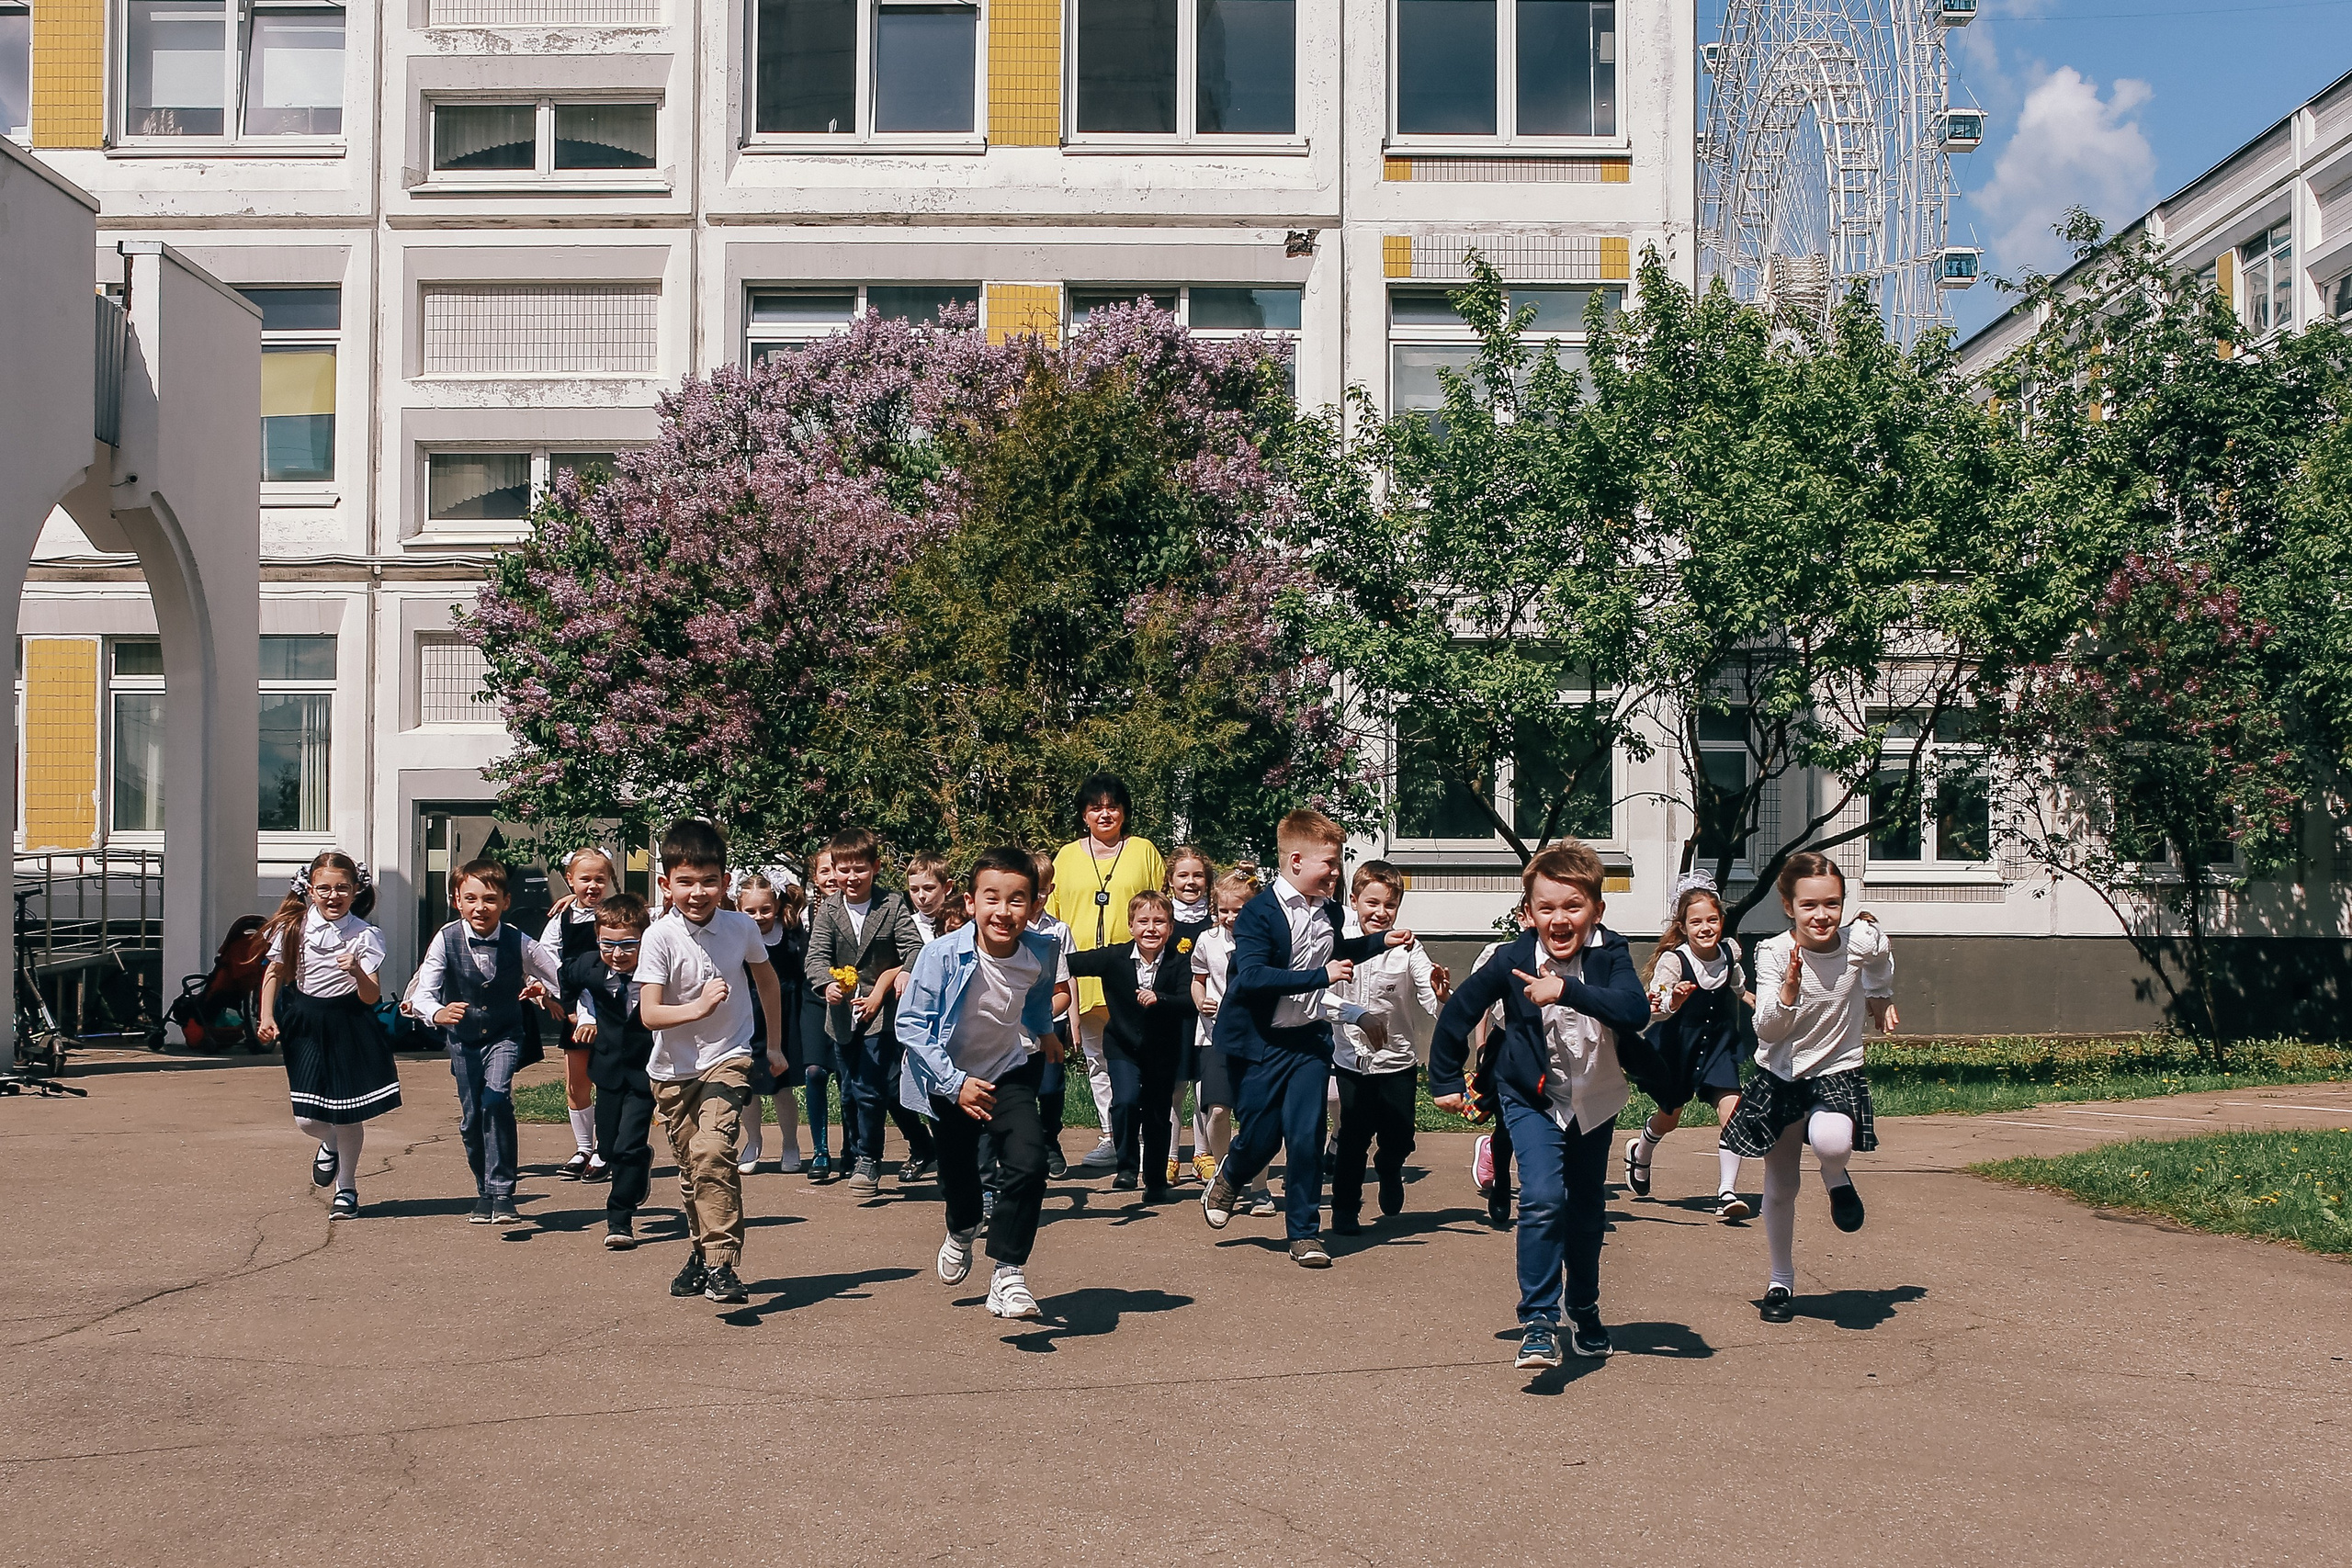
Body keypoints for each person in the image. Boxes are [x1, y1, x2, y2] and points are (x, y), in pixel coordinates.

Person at [1429, 841, 1651, 1370]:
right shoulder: (1510, 958)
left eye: (1573, 907)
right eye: (1546, 907)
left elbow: (1634, 1010)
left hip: (1594, 1098)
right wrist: (1442, 1078)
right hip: (1531, 1095)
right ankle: (1539, 1320)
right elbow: (1460, 1010)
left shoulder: (1611, 953)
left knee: (1586, 1208)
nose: (1559, 918)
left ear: (1596, 909)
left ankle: (1585, 1306)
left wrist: (1565, 990)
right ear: (1527, 913)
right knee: (1545, 1197)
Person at [1198, 809, 1411, 1268]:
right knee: (1262, 1136)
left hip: (1309, 1043)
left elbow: (1339, 951)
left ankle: (1304, 1233)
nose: (1337, 872)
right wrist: (1320, 976)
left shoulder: (1329, 909)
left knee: (1306, 1135)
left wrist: (1381, 942)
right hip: (1259, 1042)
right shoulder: (1258, 913)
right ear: (1296, 861)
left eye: (1338, 863)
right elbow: (1253, 976)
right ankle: (1231, 1173)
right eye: (1330, 863)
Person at [1720, 852, 1896, 1325]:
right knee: (1781, 1186)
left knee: (1833, 1140)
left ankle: (1836, 1178)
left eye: (1832, 904)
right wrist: (1788, 995)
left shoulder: (1858, 939)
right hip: (1783, 1076)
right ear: (1788, 906)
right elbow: (1768, 1032)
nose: (1822, 916)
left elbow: (1882, 952)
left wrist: (1880, 996)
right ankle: (1781, 1280)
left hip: (1838, 1068)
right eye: (1810, 906)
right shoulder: (1776, 954)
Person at [898, 847, 1071, 1320]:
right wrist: (954, 1084)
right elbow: (910, 1025)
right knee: (959, 1177)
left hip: (1007, 1073)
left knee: (1030, 1160)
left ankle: (1008, 1274)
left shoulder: (1040, 951)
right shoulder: (940, 955)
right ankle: (961, 1229)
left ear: (1035, 906)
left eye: (1017, 900)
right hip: (947, 1079)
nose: (1004, 911)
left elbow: (1035, 997)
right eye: (991, 898)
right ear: (971, 903)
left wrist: (1044, 1033)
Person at [635, 818, 786, 1306]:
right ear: (666, 884)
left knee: (712, 1151)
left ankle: (722, 1263)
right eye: (685, 881)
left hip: (730, 1056)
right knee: (691, 1171)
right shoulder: (658, 936)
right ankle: (699, 1253)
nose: (697, 892)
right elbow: (650, 1013)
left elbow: (767, 982)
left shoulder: (741, 926)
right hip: (672, 1071)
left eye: (708, 881)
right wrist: (698, 1007)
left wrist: (774, 1045)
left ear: (724, 882)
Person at [411, 859, 566, 1225]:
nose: (481, 907)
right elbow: (423, 990)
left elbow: (557, 975)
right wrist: (436, 1013)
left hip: (504, 1035)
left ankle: (503, 1192)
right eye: (472, 899)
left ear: (506, 902)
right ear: (457, 901)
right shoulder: (446, 938)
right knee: (471, 1118)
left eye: (491, 899)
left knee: (496, 1099)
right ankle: (484, 1192)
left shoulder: (518, 940)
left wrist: (548, 991)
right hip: (463, 1041)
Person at [254, 852, 392, 1220]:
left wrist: (357, 971)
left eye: (342, 889)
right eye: (325, 889)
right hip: (304, 1021)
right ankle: (328, 1143)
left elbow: (371, 996)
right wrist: (267, 1015)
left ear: (356, 890)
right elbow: (274, 973)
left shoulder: (365, 935)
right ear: (310, 890)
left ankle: (346, 1188)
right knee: (307, 1117)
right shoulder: (293, 928)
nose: (334, 896)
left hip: (349, 1021)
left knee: (348, 1112)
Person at [1047, 774, 1167, 1173]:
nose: (1105, 813)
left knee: (1143, 1054)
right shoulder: (1065, 856)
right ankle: (1110, 1135)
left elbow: (1157, 907)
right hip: (1082, 973)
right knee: (1097, 1059)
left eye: (1112, 806)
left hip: (1134, 973)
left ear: (1124, 811)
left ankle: (1151, 1137)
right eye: (1095, 807)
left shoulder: (1143, 851)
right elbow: (1055, 915)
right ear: (1083, 814)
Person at [1623, 874, 1756, 1220]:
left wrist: (1751, 998)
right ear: (1683, 927)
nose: (1706, 927)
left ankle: (1727, 1193)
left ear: (1721, 922)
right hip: (1677, 1048)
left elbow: (1736, 980)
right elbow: (1657, 1007)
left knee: (1734, 1113)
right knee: (1670, 1118)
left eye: (1712, 920)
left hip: (1717, 1046)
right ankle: (1641, 1150)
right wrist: (1673, 1002)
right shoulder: (1674, 962)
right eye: (1696, 922)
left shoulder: (1729, 951)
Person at [805, 828, 930, 1194]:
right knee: (850, 1090)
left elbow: (915, 949)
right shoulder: (829, 909)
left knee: (872, 1090)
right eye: (843, 870)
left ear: (875, 867)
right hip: (842, 1015)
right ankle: (896, 1148)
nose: (851, 878)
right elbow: (816, 958)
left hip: (882, 1015)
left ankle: (868, 1160)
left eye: (859, 869)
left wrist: (899, 975)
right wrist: (826, 985)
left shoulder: (891, 905)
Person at [1329, 861, 1449, 1236]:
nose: (1381, 913)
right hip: (1351, 1061)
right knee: (1352, 1139)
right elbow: (1323, 998)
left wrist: (1444, 995)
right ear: (1354, 900)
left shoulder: (1408, 947)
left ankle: (1389, 1167)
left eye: (1390, 905)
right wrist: (1356, 1014)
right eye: (1372, 903)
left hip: (1397, 1061)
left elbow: (1431, 998)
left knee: (1399, 1138)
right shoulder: (1338, 943)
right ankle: (1344, 1210)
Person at [1066, 889, 1195, 1201]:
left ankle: (1154, 1180)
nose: (1151, 929)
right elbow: (1070, 963)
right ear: (1131, 926)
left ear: (1171, 927)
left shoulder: (1180, 963)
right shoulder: (1115, 958)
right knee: (1124, 1102)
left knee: (1156, 1114)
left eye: (1160, 922)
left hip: (1163, 1049)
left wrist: (1160, 999)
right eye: (1143, 922)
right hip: (1123, 1044)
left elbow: (1190, 1002)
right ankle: (1126, 1166)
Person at [563, 892, 660, 1250]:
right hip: (606, 1068)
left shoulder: (656, 972)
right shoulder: (588, 966)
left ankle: (619, 1218)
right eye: (608, 945)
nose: (617, 954)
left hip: (645, 1071)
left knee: (628, 1143)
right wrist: (578, 1013)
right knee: (608, 1146)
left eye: (628, 945)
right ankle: (636, 1166)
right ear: (598, 940)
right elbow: (565, 978)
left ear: (644, 942)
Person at [1186, 866, 1268, 1208]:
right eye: (1224, 911)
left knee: (1258, 1113)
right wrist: (1199, 1000)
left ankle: (1260, 1186)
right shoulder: (1207, 940)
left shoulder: (1266, 939)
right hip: (1214, 1037)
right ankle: (1225, 1177)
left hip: (1257, 1037)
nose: (1230, 918)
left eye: (1239, 910)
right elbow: (1198, 979)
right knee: (1218, 1111)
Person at [541, 849, 617, 1180]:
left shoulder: (618, 914)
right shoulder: (562, 918)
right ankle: (583, 1147)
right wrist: (552, 997)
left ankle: (605, 1149)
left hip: (612, 1008)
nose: (592, 886)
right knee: (577, 1082)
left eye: (600, 879)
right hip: (575, 1009)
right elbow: (544, 958)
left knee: (611, 1081)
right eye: (584, 878)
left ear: (610, 881)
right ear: (570, 879)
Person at [1464, 906, 1530, 1230]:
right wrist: (1481, 1046)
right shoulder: (1499, 954)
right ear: (1522, 916)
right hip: (1506, 1044)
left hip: (1550, 1049)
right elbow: (1481, 1004)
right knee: (1507, 1121)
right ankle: (1502, 1180)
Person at [734, 874, 803, 1176]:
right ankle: (753, 1142)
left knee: (782, 1086)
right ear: (738, 908)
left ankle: (790, 1143)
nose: (758, 917)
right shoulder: (734, 933)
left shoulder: (791, 931)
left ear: (776, 905)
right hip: (748, 1012)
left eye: (765, 909)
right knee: (748, 1085)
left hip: (785, 1012)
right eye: (750, 911)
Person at [1160, 846, 1216, 1180]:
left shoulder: (1217, 921)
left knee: (1204, 1088)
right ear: (1170, 881)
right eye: (1183, 875)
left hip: (1208, 1015)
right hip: (1172, 1014)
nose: (1191, 882)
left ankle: (1202, 1153)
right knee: (1175, 1086)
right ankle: (1169, 1155)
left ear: (1208, 882)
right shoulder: (1161, 920)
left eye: (1198, 875)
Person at [1027, 852, 1078, 1180]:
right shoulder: (1008, 929)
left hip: (1049, 1022)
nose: (1037, 897)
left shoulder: (1058, 931)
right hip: (1012, 1027)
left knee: (1050, 1088)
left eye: (1043, 890)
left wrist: (1072, 1021)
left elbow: (1067, 980)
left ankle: (1050, 1140)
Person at [799, 849, 842, 1181]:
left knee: (849, 1077)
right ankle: (820, 1150)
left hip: (852, 1000)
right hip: (813, 999)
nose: (831, 876)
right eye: (824, 871)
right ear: (815, 877)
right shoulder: (800, 916)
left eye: (836, 869)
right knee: (814, 1071)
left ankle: (855, 1147)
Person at [905, 853, 954, 942]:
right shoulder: (905, 926)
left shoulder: (959, 924)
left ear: (947, 887)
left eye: (929, 888)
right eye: (914, 889)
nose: (921, 896)